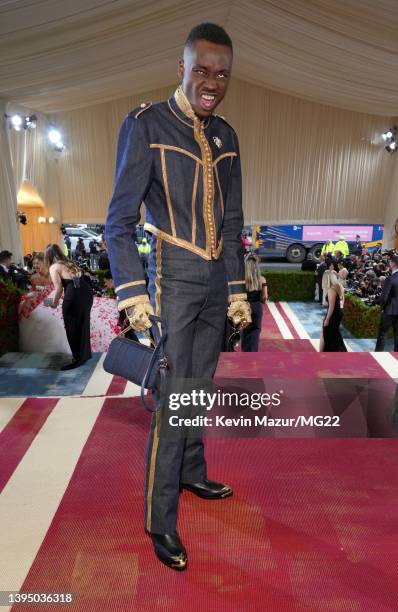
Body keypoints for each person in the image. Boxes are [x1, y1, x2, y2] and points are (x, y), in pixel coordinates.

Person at [105, 22, 251, 571]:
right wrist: (132, 293)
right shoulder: (146, 124)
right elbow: (118, 221)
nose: (211, 82)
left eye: (222, 74)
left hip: (216, 281)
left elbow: (233, 220)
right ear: (182, 68)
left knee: (200, 387)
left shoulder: (227, 136)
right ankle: (159, 519)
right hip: (171, 272)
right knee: (174, 396)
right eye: (202, 70)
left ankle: (192, 472)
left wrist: (237, 290)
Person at [44, 244, 93, 370]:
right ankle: (84, 355)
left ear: (48, 256)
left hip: (74, 296)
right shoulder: (70, 263)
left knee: (72, 326)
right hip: (86, 293)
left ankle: (78, 359)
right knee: (83, 324)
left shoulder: (54, 267)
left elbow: (59, 288)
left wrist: (53, 303)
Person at [374, 255, 398, 352]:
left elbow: (384, 298)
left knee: (382, 334)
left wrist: (382, 308)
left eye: (390, 262)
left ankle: (378, 355)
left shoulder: (390, 279)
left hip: (390, 310)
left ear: (392, 264)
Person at [241, 255, 268, 351]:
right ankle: (252, 354)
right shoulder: (262, 279)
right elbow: (265, 298)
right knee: (255, 332)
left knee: (244, 330)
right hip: (256, 307)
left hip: (244, 307)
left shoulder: (241, 280)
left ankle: (245, 352)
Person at [320, 270, 347, 352]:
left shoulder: (332, 289)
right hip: (339, 312)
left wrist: (327, 319)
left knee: (327, 331)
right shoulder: (340, 286)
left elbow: (331, 307)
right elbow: (342, 301)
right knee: (335, 332)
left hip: (334, 313)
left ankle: (329, 351)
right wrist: (341, 311)